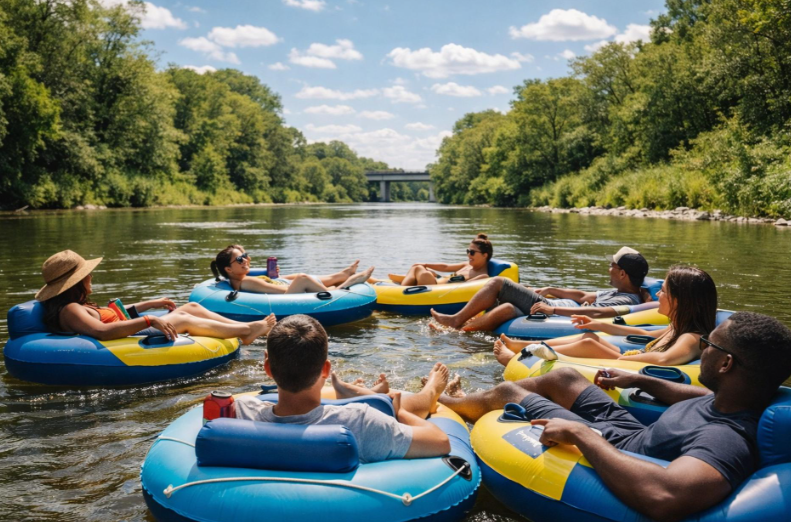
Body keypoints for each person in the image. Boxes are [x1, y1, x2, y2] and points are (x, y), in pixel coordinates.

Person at [439, 311, 791, 521]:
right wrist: (640, 378)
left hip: (621, 448)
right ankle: (468, 400)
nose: (703, 350)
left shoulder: (726, 438)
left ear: (727, 364)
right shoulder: (731, 398)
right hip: (632, 429)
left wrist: (582, 435)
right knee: (564, 377)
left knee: (508, 394)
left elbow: (666, 496)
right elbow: (697, 394)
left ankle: (447, 403)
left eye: (709, 346)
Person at [234, 314, 451, 463]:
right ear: (326, 369)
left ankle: (366, 393)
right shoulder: (360, 422)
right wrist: (399, 412)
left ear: (267, 368)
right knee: (390, 404)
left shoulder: (240, 412)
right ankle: (431, 390)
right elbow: (440, 442)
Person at [38, 250, 276, 345]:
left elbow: (113, 313)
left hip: (128, 327)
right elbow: (102, 331)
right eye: (87, 274)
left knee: (191, 306)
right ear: (76, 282)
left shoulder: (76, 305)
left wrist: (151, 304)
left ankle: (245, 328)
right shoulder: (71, 310)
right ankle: (247, 330)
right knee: (182, 319)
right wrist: (150, 319)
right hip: (127, 336)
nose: (90, 277)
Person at [494, 265, 717, 366]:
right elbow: (639, 331)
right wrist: (599, 325)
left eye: (664, 292)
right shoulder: (677, 329)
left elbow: (664, 359)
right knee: (591, 337)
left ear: (679, 301)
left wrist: (620, 360)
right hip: (630, 359)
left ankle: (520, 358)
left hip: (629, 365)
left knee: (591, 345)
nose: (657, 294)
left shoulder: (691, 338)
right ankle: (523, 346)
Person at [430, 246, 649, 332]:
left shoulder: (627, 301)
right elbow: (582, 296)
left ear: (622, 274)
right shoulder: (617, 292)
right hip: (552, 305)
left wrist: (551, 309)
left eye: (612, 265)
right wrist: (550, 288)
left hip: (554, 311)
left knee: (498, 283)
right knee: (506, 308)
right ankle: (459, 332)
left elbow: (597, 313)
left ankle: (455, 320)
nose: (608, 268)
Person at [211, 245, 374, 294]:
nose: (245, 259)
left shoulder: (241, 278)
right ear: (229, 269)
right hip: (288, 297)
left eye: (245, 255)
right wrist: (299, 284)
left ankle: (341, 275)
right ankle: (341, 287)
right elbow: (284, 292)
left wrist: (273, 276)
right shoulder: (247, 282)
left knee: (295, 276)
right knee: (302, 278)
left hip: (282, 289)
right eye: (240, 259)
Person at [386, 234, 493, 286]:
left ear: (484, 255)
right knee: (420, 267)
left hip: (436, 288)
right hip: (438, 280)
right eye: (468, 251)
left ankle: (400, 289)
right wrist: (426, 264)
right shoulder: (467, 265)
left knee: (422, 272)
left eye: (472, 252)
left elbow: (464, 288)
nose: (469, 255)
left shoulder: (482, 276)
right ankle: (404, 279)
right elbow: (445, 267)